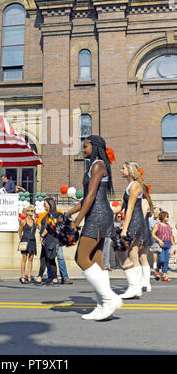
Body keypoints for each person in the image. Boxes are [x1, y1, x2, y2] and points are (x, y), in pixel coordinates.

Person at [67, 135, 122, 321]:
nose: (83, 150)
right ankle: (102, 306)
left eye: (85, 146)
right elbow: (85, 199)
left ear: (95, 147)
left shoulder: (98, 165)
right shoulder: (94, 165)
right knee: (97, 260)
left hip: (97, 215)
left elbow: (90, 197)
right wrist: (68, 214)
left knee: (81, 257)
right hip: (98, 214)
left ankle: (109, 298)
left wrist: (77, 221)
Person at [113, 162, 147, 299]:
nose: (120, 170)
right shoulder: (129, 185)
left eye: (123, 168)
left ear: (130, 170)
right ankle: (136, 286)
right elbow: (120, 207)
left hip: (135, 221)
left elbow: (131, 208)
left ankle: (134, 286)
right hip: (133, 221)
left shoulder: (135, 185)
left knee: (120, 249)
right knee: (133, 254)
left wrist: (124, 229)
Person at [35, 198, 63, 286]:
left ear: (50, 204)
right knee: (45, 258)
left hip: (50, 239)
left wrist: (42, 236)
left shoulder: (51, 214)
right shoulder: (50, 214)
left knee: (48, 259)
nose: (44, 205)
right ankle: (42, 277)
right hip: (49, 239)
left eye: (45, 203)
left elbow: (49, 228)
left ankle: (52, 278)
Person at [152, 211, 175, 282]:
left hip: (168, 245)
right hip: (161, 245)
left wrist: (173, 244)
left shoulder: (168, 225)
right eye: (166, 216)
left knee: (166, 260)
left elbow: (171, 235)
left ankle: (164, 275)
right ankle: (157, 269)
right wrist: (159, 240)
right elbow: (153, 234)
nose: (168, 218)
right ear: (162, 217)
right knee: (162, 259)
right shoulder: (157, 225)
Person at [139, 184, 154, 292]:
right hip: (145, 230)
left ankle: (145, 283)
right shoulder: (147, 201)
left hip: (142, 231)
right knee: (142, 257)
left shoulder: (143, 201)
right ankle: (145, 282)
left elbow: (142, 216)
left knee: (141, 257)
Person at [18, 205, 38, 283]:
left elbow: (37, 228)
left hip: (32, 241)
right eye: (31, 211)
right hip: (25, 240)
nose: (33, 212)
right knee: (24, 258)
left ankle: (29, 276)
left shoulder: (35, 221)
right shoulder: (23, 221)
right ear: (27, 212)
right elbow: (20, 232)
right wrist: (21, 240)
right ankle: (23, 276)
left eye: (33, 211)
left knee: (31, 258)